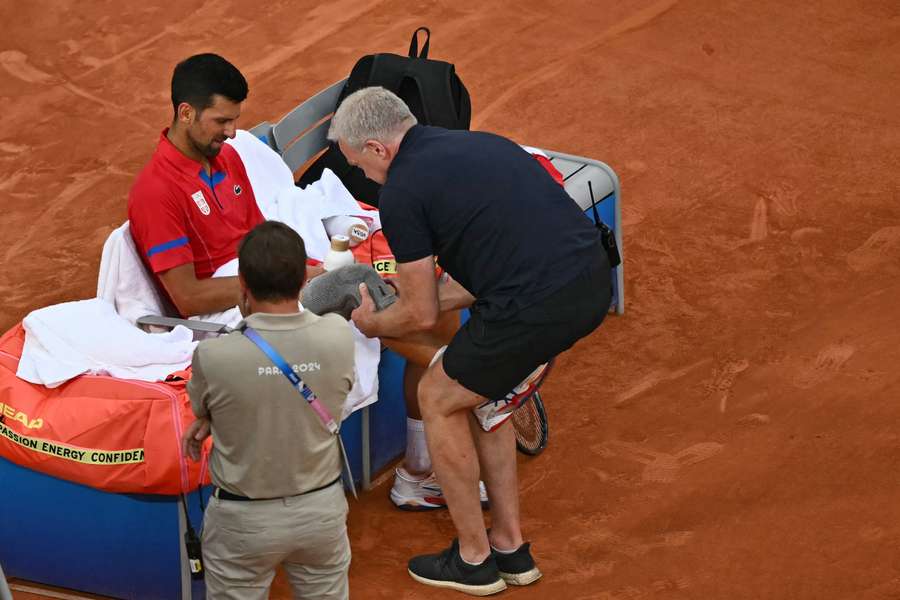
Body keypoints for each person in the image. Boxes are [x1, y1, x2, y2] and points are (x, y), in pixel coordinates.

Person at [329, 87, 612, 595]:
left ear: (378, 148)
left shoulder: (401, 192)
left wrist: (370, 325)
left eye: (358, 165)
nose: (364, 178)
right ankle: (510, 548)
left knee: (438, 396)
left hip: (535, 305)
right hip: (589, 281)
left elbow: (420, 314)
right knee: (483, 394)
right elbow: (479, 271)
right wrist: (425, 292)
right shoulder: (481, 144)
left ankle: (474, 559)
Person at [182, 221, 354, 599]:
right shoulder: (338, 335)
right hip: (321, 512)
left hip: (243, 523)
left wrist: (211, 418)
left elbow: (204, 404)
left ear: (242, 283)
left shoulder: (214, 355)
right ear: (303, 279)